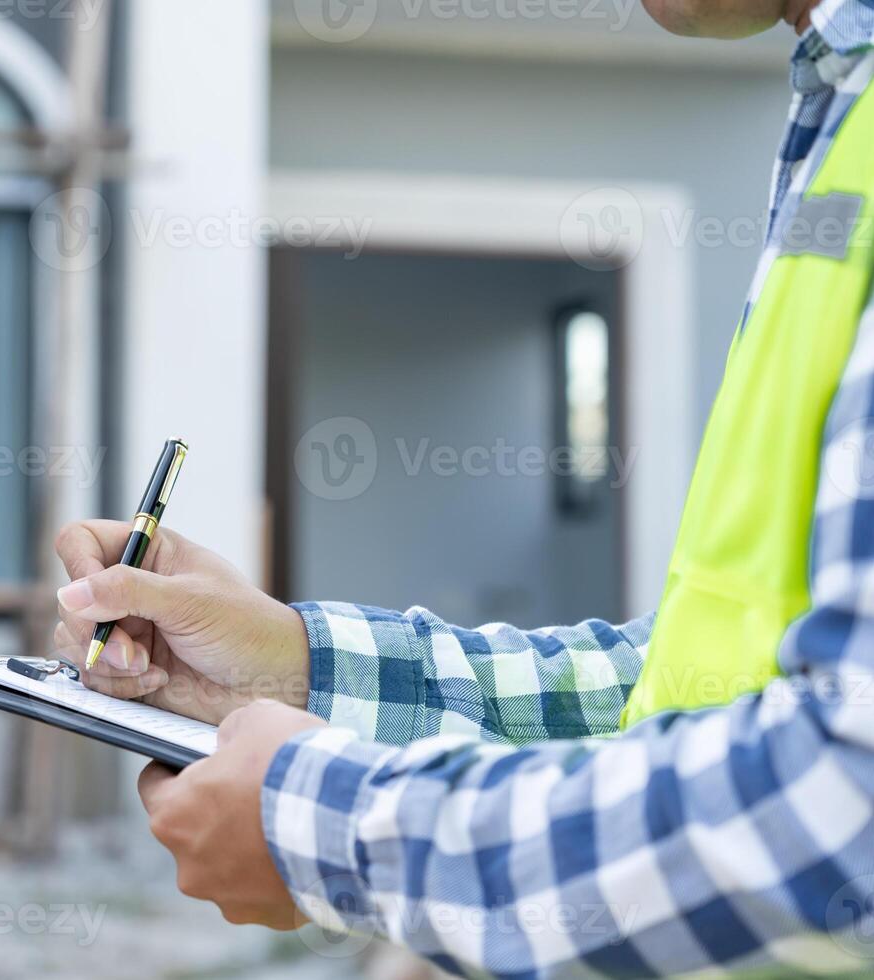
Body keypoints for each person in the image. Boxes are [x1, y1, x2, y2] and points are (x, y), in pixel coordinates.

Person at [52, 0, 874, 974]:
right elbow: (696, 690)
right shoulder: (842, 115)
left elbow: (845, 803)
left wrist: (337, 827)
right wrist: (295, 663)